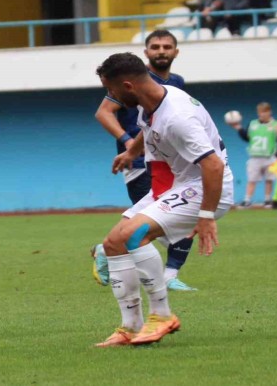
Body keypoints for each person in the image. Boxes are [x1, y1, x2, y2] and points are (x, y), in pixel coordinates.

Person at [94, 52, 234, 347]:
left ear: (128, 86)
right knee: (114, 243)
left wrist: (206, 216)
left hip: (205, 187)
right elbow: (148, 129)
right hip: (178, 184)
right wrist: (131, 152)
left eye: (111, 90)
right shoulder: (153, 101)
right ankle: (130, 327)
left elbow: (213, 165)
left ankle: (162, 316)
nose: (111, 96)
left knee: (135, 236)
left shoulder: (178, 117)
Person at [93, 29, 197, 292]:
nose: (161, 51)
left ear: (176, 52)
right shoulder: (133, 80)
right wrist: (129, 142)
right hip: (140, 164)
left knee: (180, 220)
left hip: (169, 163)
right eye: (155, 47)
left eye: (166, 47)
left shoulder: (177, 81)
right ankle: (110, 250)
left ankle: (166, 274)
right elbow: (104, 113)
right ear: (146, 52)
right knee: (170, 221)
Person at [228, 102, 277, 207]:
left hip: (269, 156)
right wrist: (239, 128)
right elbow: (247, 138)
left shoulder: (275, 124)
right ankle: (247, 200)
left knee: (269, 179)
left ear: (269, 112)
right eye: (260, 112)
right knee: (252, 179)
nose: (262, 114)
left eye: (264, 112)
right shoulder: (253, 124)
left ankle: (267, 200)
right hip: (255, 156)